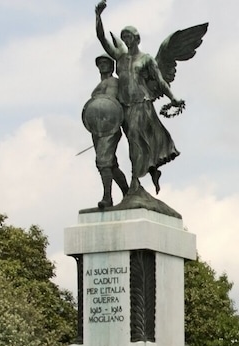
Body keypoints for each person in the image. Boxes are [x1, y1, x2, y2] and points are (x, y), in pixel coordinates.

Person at [94, 0, 184, 193]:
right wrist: (98, 17)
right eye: (123, 37)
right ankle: (147, 170)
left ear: (136, 38)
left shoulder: (146, 59)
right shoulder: (120, 57)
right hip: (124, 106)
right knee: (132, 142)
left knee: (135, 139)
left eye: (129, 36)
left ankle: (135, 181)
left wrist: (173, 98)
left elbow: (159, 81)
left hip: (141, 105)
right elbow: (102, 39)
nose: (126, 40)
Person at [83, 54, 127, 208]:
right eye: (100, 63)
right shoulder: (100, 84)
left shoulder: (113, 82)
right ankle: (127, 193)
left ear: (112, 66)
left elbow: (111, 103)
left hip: (110, 127)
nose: (103, 65)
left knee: (103, 162)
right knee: (110, 165)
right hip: (98, 130)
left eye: (106, 63)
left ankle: (107, 198)